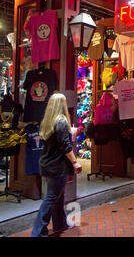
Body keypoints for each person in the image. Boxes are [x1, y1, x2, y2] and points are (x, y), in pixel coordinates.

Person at [31, 93, 82, 237]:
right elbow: (65, 146)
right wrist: (75, 162)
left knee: (57, 195)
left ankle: (60, 224)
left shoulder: (49, 120)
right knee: (52, 196)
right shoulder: (61, 122)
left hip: (48, 163)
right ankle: (38, 232)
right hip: (57, 165)